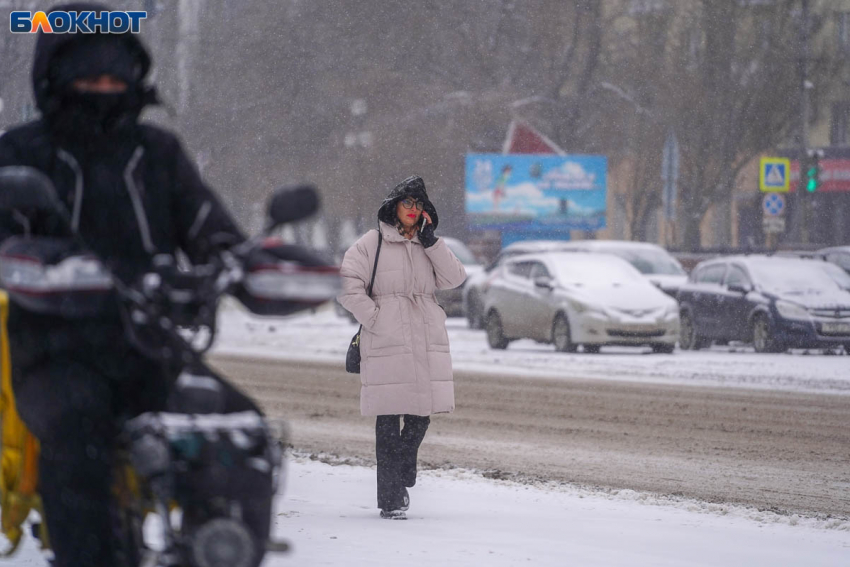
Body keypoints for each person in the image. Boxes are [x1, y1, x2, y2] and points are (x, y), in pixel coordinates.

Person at [0, 4, 246, 566]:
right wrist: (50, 266)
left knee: (233, 425)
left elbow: (210, 229)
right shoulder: (20, 153)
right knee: (78, 434)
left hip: (153, 343)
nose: (105, 86)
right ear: (55, 76)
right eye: (89, 75)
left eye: (116, 74)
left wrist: (241, 262)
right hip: (51, 352)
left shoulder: (157, 152)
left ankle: (224, 547)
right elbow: (5, 239)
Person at [338, 176, 466, 520]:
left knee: (421, 414)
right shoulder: (372, 243)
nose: (413, 210)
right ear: (394, 206)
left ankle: (404, 468)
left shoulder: (428, 245)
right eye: (407, 203)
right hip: (386, 339)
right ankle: (391, 499)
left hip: (424, 337)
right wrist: (376, 319)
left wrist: (432, 242)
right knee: (387, 419)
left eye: (418, 204)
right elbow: (347, 285)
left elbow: (455, 279)